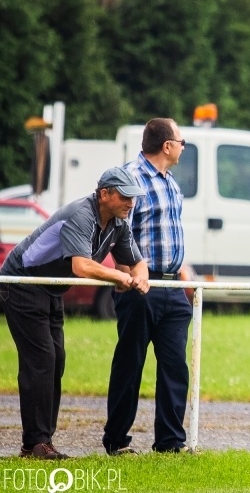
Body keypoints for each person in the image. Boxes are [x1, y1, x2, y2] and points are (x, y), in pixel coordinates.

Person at [0, 167, 149, 459]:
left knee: (56, 361)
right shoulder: (82, 214)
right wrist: (119, 278)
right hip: (22, 283)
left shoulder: (119, 222)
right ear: (104, 194)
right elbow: (81, 266)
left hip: (50, 288)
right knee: (41, 361)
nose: (131, 203)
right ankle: (36, 444)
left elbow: (136, 262)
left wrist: (140, 276)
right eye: (125, 196)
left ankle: (41, 442)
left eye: (134, 197)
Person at [102, 118, 193, 456]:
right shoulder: (130, 179)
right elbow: (116, 232)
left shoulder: (170, 183)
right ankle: (117, 441)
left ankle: (170, 442)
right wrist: (126, 276)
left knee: (174, 367)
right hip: (140, 286)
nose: (184, 146)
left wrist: (186, 274)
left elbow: (172, 234)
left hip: (172, 288)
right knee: (130, 363)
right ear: (167, 145)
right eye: (181, 141)